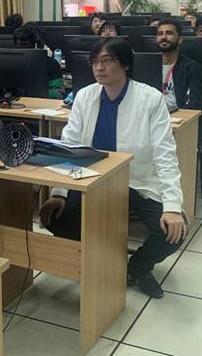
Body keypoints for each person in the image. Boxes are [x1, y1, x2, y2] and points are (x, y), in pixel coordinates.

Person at [39, 38, 186, 298]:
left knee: (173, 232)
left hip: (136, 180)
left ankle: (138, 267)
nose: (99, 68)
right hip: (91, 178)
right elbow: (68, 145)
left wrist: (173, 207)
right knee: (53, 216)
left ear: (125, 64)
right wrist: (59, 193)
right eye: (94, 62)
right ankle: (104, 258)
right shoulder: (86, 96)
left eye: (106, 61)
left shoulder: (150, 99)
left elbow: (165, 154)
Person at [156, 19, 202, 112]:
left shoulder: (192, 69)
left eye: (169, 33)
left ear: (180, 39)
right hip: (151, 115)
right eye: (160, 33)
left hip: (177, 116)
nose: (163, 37)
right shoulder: (147, 67)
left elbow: (194, 104)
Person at [13, 23, 64, 98]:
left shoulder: (51, 63)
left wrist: (31, 92)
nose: (24, 53)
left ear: (35, 45)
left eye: (27, 48)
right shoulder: (10, 64)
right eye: (19, 49)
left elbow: (59, 93)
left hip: (39, 103)